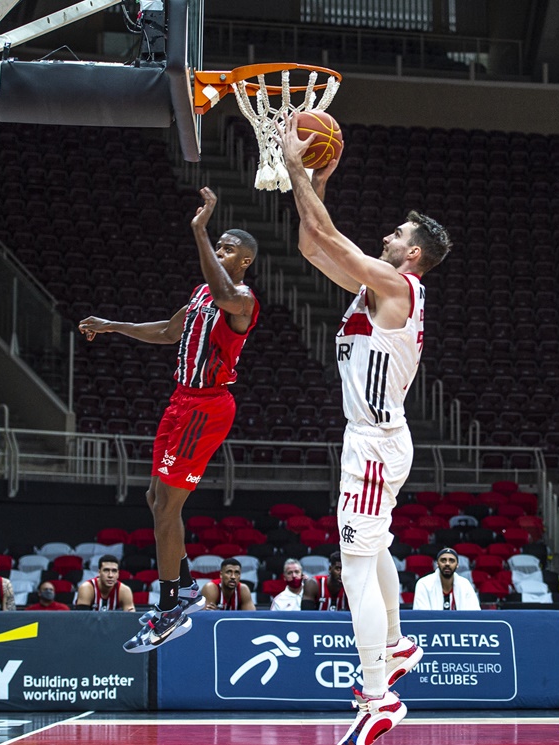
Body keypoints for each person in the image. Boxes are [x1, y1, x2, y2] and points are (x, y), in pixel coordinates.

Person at [278, 115, 451, 745]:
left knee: (353, 564)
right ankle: (400, 643)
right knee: (373, 548)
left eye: (397, 232)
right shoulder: (376, 290)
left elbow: (335, 242)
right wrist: (316, 182)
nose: (386, 234)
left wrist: (297, 167)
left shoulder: (397, 287)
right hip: (375, 439)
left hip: (374, 443)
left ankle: (379, 697)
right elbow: (310, 245)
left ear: (411, 256)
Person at [79, 187, 258, 652]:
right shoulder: (202, 293)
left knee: (168, 509)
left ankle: (170, 607)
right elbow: (167, 329)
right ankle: (188, 589)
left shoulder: (241, 299)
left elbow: (221, 289)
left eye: (228, 249)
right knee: (155, 496)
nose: (220, 251)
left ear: (244, 262)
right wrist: (114, 325)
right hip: (181, 400)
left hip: (208, 406)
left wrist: (199, 230)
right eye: (216, 245)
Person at [412, 548, 480, 611]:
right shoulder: (424, 584)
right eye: (443, 560)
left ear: (457, 565)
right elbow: (421, 616)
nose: (447, 563)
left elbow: (474, 614)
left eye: (451, 560)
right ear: (437, 564)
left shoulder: (465, 585)